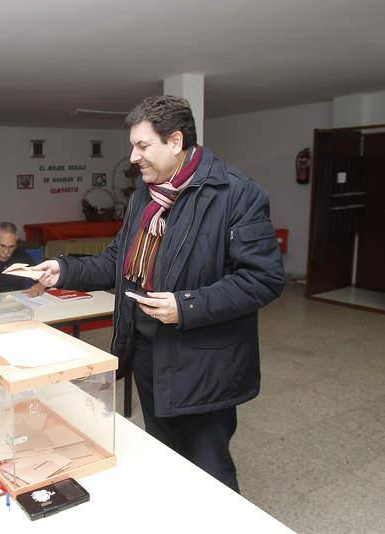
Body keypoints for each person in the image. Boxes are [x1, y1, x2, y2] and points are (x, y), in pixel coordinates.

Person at [31, 95, 285, 492]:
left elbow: (263, 278)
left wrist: (186, 306)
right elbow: (120, 262)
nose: (133, 157)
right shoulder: (144, 197)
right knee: (166, 462)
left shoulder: (237, 194)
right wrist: (65, 268)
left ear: (176, 141)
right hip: (149, 352)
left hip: (205, 364)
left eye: (142, 145)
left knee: (209, 472)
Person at [0, 221, 45, 297]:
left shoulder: (22, 256)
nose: (6, 252)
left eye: (11, 247)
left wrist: (41, 285)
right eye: (2, 246)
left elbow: (44, 277)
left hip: (17, 301)